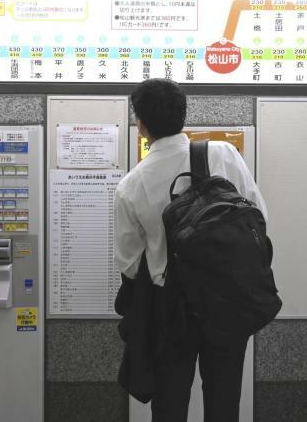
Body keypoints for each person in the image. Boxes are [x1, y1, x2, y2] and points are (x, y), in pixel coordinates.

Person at [114, 78, 268, 422]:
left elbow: (128, 263)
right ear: (183, 115)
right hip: (230, 300)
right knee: (224, 399)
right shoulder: (223, 154)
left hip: (172, 308)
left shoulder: (131, 185)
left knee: (170, 403)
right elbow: (259, 216)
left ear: (141, 124)